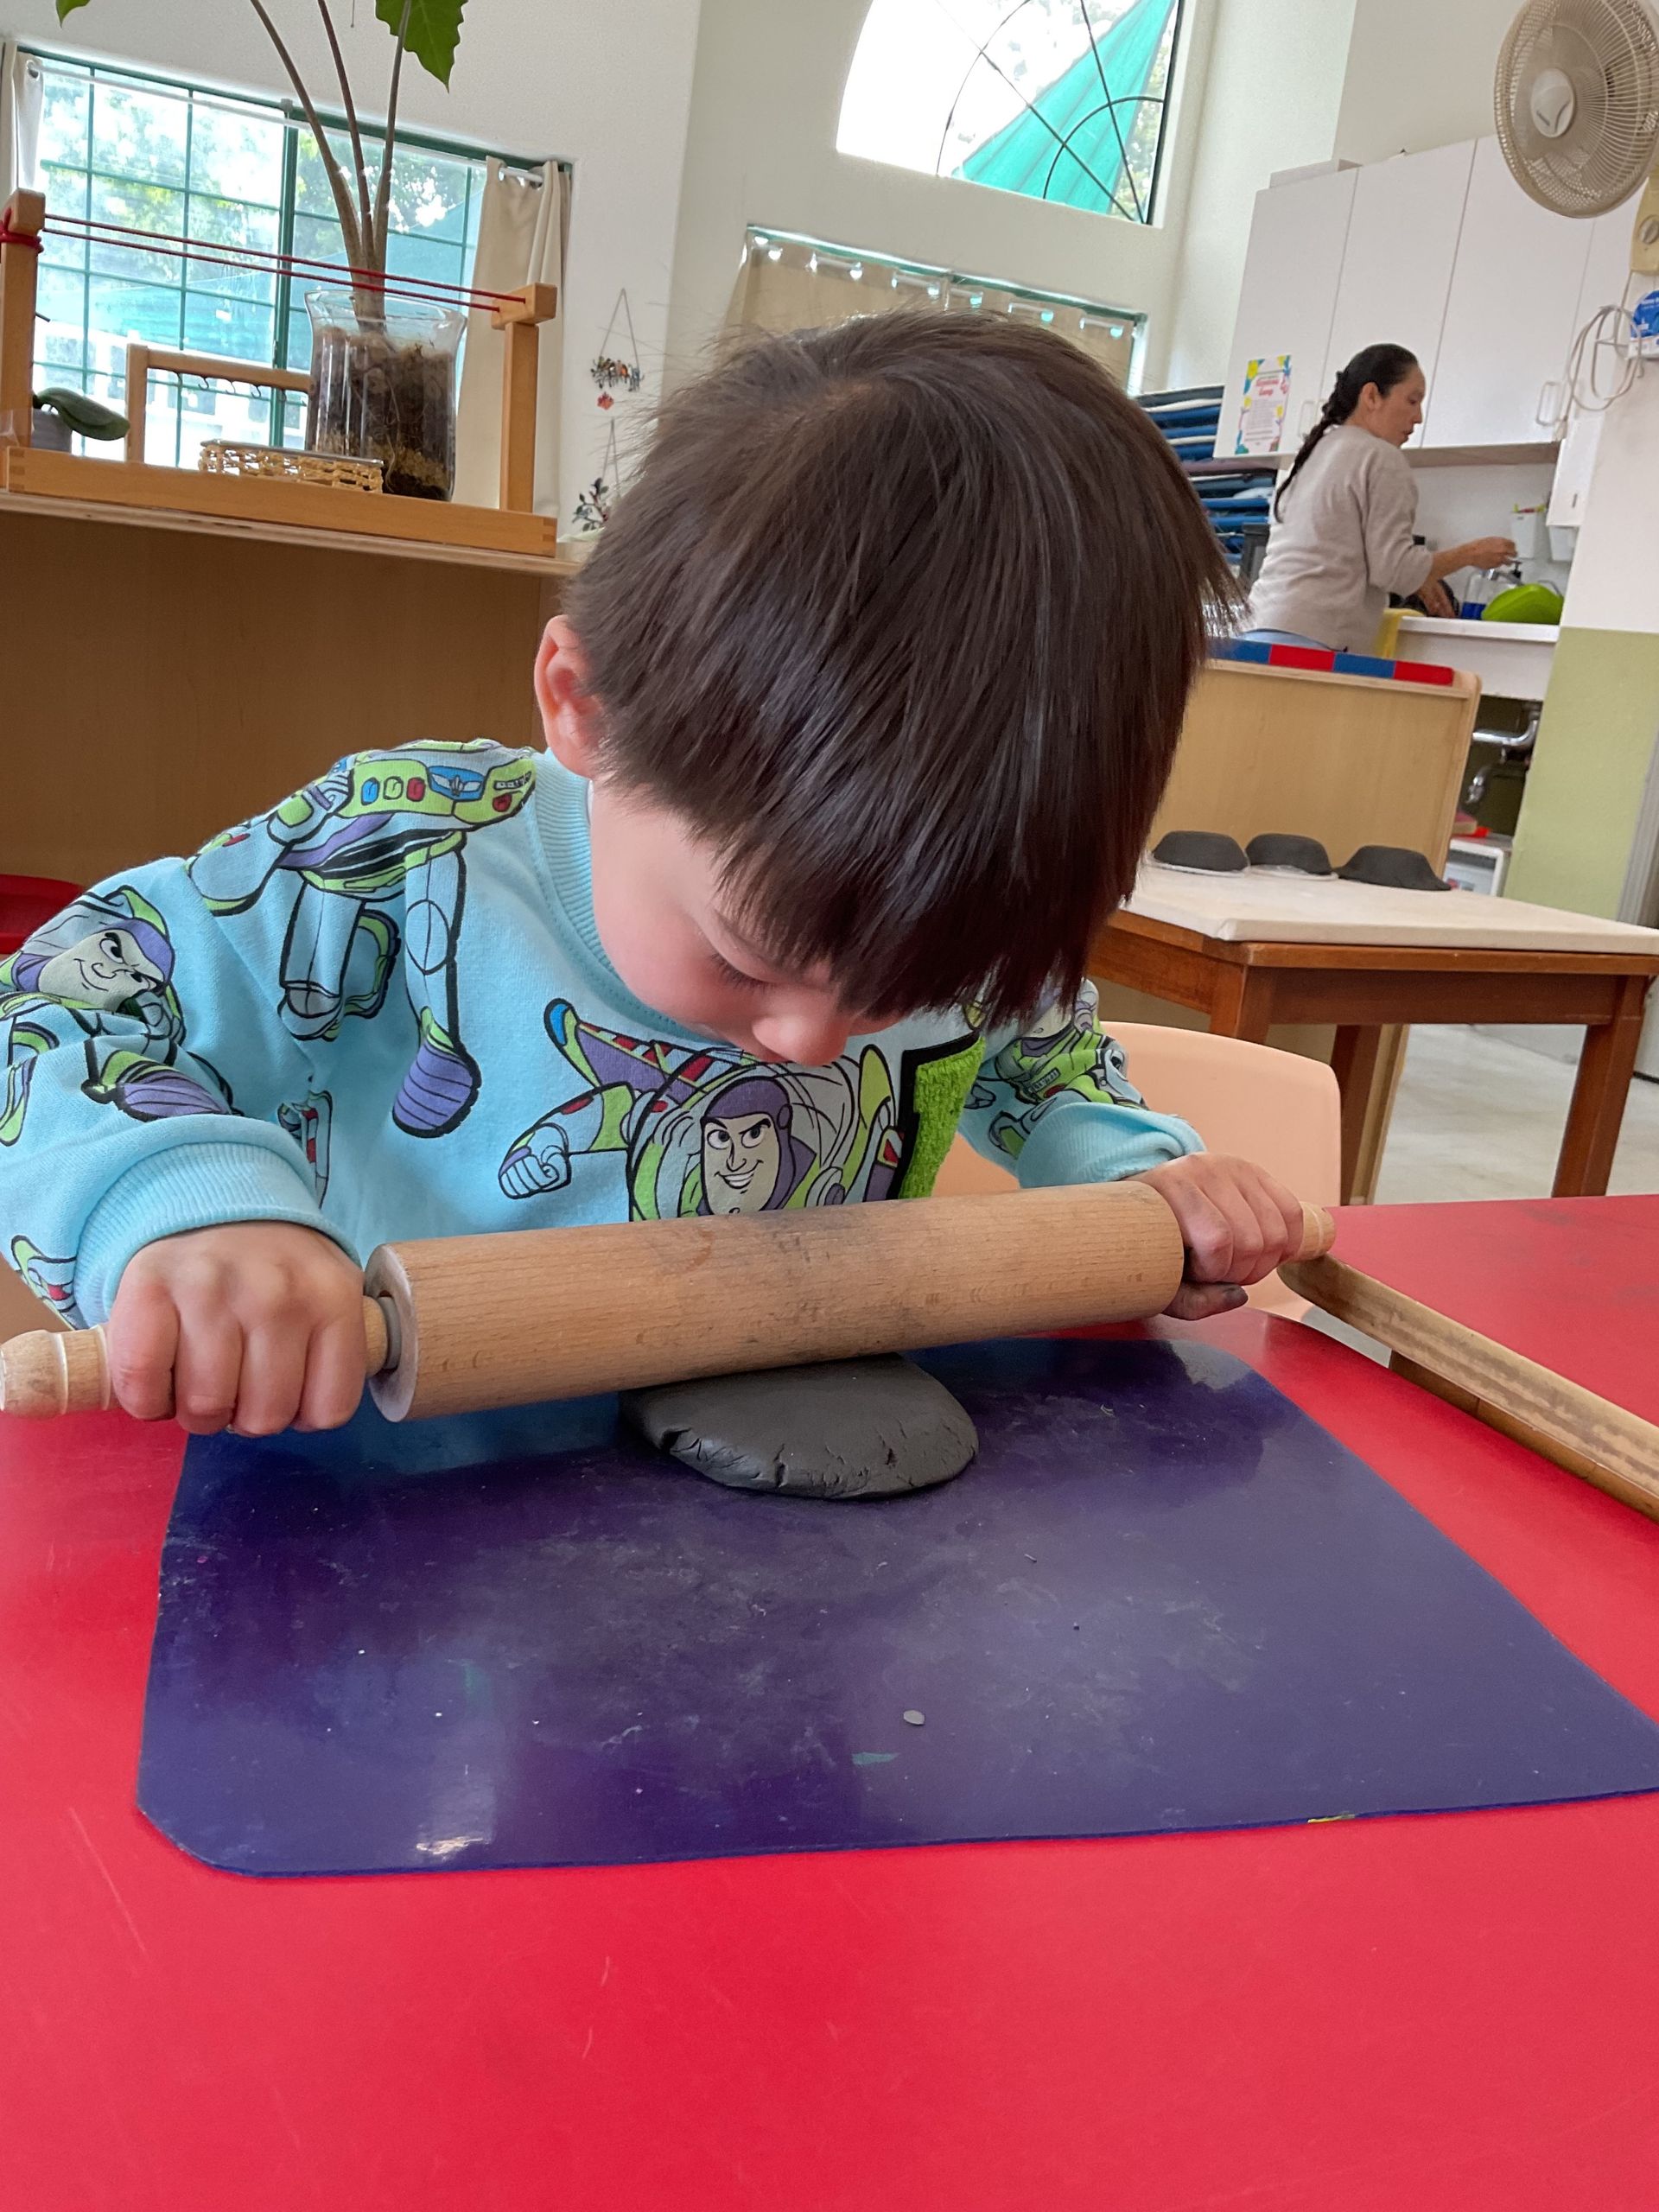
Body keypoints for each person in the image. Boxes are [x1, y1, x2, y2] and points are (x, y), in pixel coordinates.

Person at [0, 315, 1313, 1438]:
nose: (813, 1042)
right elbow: (53, 1012)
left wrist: (1134, 1176)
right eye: (748, 957)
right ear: (588, 709)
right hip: (383, 1522)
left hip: (771, 1506)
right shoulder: (398, 862)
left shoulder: (937, 915)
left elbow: (1037, 1046)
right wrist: (181, 1208)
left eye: (904, 993)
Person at [1243, 342, 1516, 652]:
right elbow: (1395, 571)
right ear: (1371, 396)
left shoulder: (1311, 454)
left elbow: (1335, 548)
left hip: (1260, 626)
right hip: (1318, 637)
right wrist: (1471, 553)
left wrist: (1423, 576)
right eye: (1412, 401)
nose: (1419, 417)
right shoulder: (1381, 457)